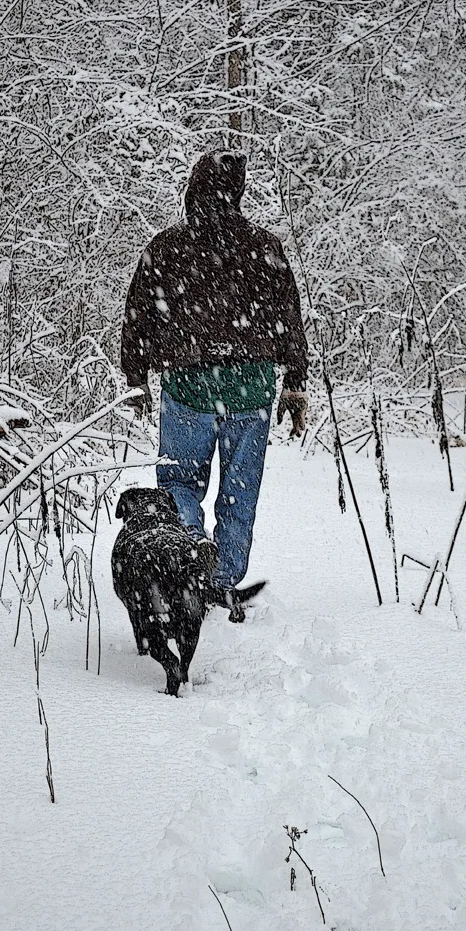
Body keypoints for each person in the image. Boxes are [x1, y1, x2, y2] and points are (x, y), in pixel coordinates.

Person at [120, 151, 308, 615]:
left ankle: (187, 570)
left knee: (179, 484)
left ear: (192, 189)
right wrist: (294, 382)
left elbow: (138, 313)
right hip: (250, 388)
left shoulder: (165, 247)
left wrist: (137, 377)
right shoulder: (264, 247)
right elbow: (289, 317)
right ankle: (223, 582)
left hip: (188, 386)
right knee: (240, 489)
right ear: (238, 193)